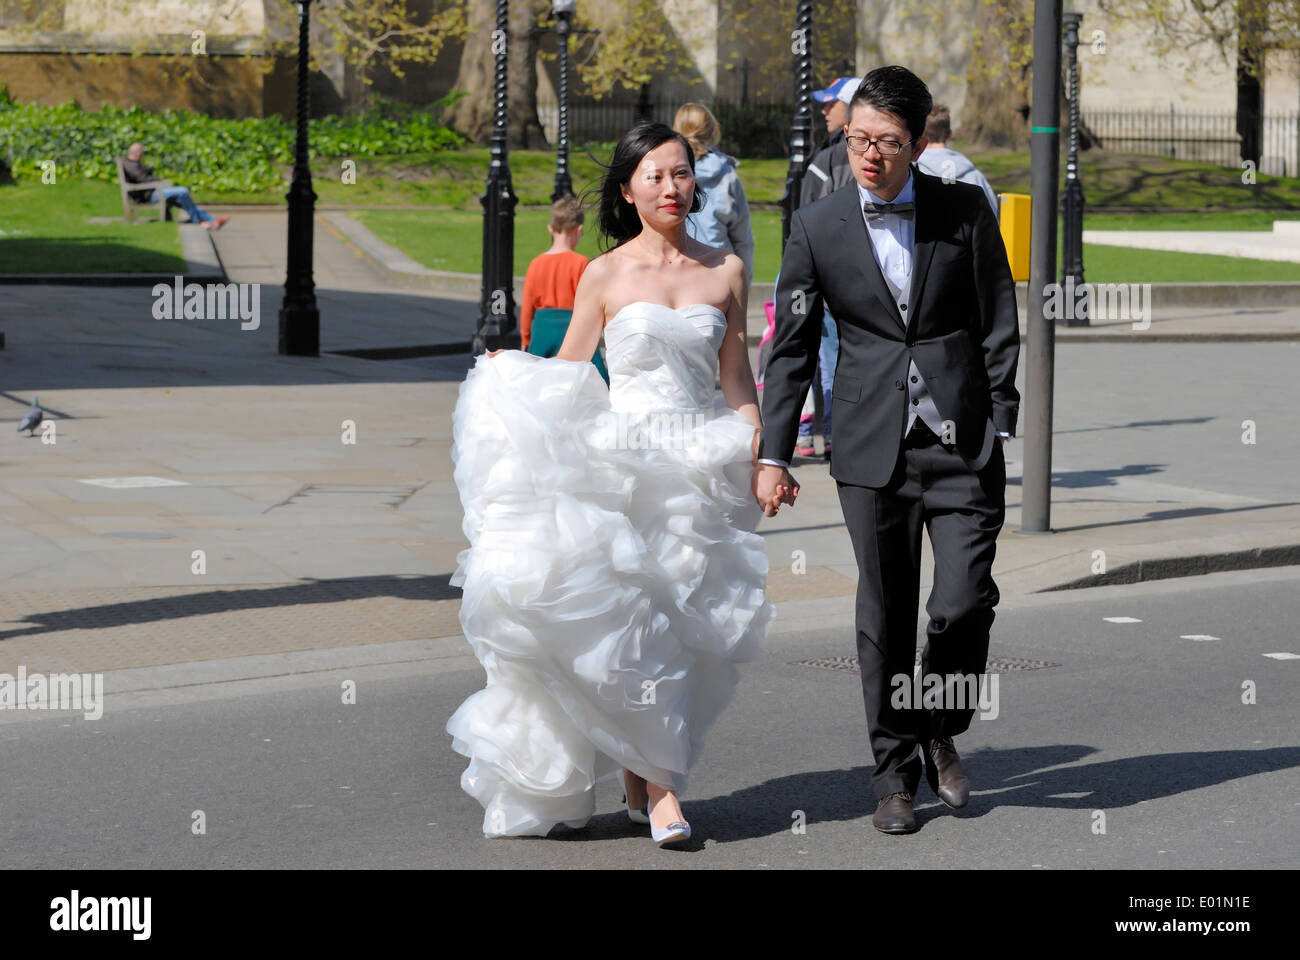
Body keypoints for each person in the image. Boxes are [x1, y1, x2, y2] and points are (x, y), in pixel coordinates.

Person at [447, 121, 781, 845]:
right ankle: (663, 794)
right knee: (638, 626)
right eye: (655, 175)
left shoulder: (724, 270)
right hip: (624, 464)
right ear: (628, 190)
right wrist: (511, 385)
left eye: (681, 173)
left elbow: (736, 381)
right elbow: (568, 374)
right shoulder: (605, 274)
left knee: (685, 635)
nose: (671, 187)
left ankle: (639, 777)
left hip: (701, 466)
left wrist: (765, 458)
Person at [755, 66, 1020, 835]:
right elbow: (791, 347)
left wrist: (999, 413)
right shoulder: (818, 225)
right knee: (885, 615)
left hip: (961, 442)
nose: (868, 155)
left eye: (887, 143)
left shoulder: (964, 210)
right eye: (858, 139)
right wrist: (774, 453)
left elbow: (997, 315)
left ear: (919, 142)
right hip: (871, 445)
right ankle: (893, 775)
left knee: (962, 602)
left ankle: (941, 721)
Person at [519, 195, 608, 384]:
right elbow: (590, 304)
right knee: (594, 381)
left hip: (542, 328)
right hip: (573, 329)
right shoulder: (581, 263)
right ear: (579, 230)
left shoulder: (536, 264)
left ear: (550, 229)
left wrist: (525, 337)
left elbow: (527, 307)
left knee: (537, 381)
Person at [672, 103, 754, 282]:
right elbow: (742, 238)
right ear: (711, 131)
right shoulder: (725, 174)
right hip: (718, 271)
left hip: (674, 272)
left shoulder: (666, 173)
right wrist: (743, 282)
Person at [120, 143, 229, 230]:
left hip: (152, 191)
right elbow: (143, 179)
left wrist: (158, 179)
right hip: (148, 194)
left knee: (181, 197)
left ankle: (211, 220)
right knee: (183, 191)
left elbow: (145, 176)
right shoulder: (131, 165)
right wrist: (159, 182)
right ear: (138, 154)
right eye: (142, 153)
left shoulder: (132, 163)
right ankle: (200, 220)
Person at [915, 104, 999, 215]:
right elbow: (990, 217)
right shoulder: (974, 176)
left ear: (920, 136)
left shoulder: (909, 174)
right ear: (949, 135)